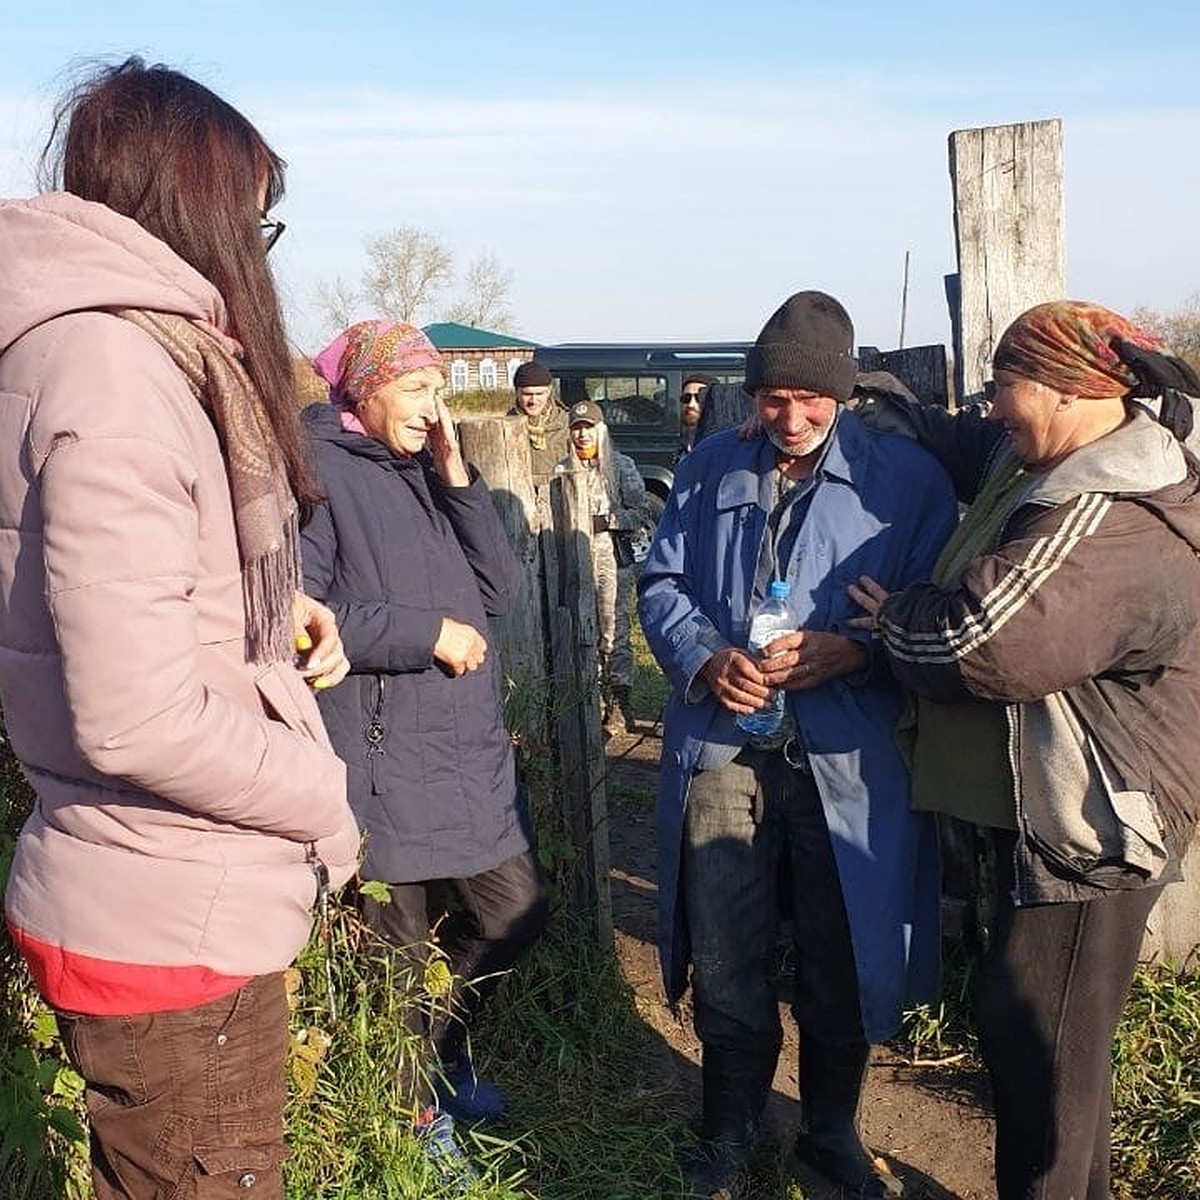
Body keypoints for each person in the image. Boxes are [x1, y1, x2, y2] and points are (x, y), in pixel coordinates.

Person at [0, 58, 360, 1200]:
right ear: (201, 205)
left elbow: (101, 600)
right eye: (259, 216)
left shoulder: (87, 348)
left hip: (147, 885)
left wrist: (254, 612)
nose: (262, 246)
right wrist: (319, 793)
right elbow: (136, 714)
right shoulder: (119, 373)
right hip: (169, 911)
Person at [847, 300, 1200, 1200]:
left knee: (1041, 1043)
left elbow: (981, 646)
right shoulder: (1051, 456)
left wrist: (892, 620)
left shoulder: (1112, 518)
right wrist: (889, 400)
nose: (995, 407)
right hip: (1057, 803)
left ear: (1071, 389)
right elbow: (977, 450)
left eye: (1006, 387)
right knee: (1049, 1047)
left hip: (1097, 821)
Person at [637, 290, 959, 1198]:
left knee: (841, 939)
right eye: (772, 398)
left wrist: (850, 650)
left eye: (811, 400)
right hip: (722, 746)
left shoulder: (911, 484)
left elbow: (939, 615)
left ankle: (828, 1133)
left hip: (850, 756)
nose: (790, 418)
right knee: (726, 940)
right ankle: (728, 1133)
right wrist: (704, 659)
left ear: (845, 393)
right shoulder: (705, 470)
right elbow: (660, 582)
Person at [302, 320, 550, 1148]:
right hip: (380, 759)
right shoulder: (318, 478)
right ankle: (412, 1125)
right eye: (415, 390)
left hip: (465, 755)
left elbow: (503, 588)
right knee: (399, 963)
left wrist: (457, 478)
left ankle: (440, 1062)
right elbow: (300, 615)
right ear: (363, 392)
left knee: (515, 910)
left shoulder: (426, 473)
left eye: (438, 390)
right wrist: (426, 636)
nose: (431, 408)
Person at [556, 399, 647, 735]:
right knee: (583, 631)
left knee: (613, 633)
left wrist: (609, 520)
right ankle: (589, 700)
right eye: (576, 429)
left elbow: (642, 513)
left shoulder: (620, 467)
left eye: (588, 428)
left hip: (611, 560)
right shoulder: (562, 469)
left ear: (601, 430)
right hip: (575, 561)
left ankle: (621, 705)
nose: (582, 435)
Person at [508, 359, 570, 483]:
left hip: (560, 495)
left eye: (539, 394)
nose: (533, 401)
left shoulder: (568, 424)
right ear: (517, 392)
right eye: (527, 394)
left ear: (549, 391)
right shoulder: (506, 427)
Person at [677, 373, 714, 460]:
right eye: (686, 398)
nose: (691, 404)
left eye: (699, 398)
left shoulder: (722, 447)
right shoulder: (682, 448)